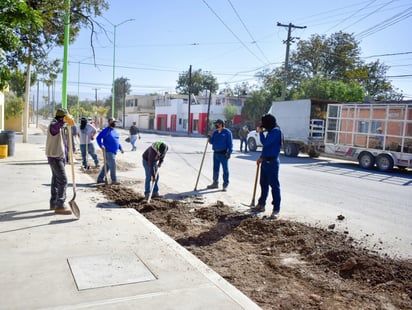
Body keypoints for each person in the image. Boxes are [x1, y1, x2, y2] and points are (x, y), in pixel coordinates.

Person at [252, 113, 282, 219]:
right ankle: (261, 205)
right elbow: (266, 149)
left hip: (272, 163)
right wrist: (261, 157)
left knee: (274, 186)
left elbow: (265, 143)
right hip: (265, 161)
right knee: (263, 184)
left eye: (263, 123)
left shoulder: (276, 131)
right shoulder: (270, 131)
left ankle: (276, 209)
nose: (262, 124)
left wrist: (260, 133)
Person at [45, 108, 75, 215]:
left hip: (58, 157)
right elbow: (55, 128)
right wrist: (63, 121)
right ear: (62, 117)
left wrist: (65, 158)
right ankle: (60, 205)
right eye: (66, 117)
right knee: (63, 180)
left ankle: (53, 203)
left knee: (56, 180)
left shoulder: (61, 127)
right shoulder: (54, 125)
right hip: (55, 157)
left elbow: (64, 143)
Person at [207, 119, 233, 191]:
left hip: (223, 154)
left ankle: (225, 185)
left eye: (217, 124)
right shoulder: (215, 133)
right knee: (215, 169)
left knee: (225, 170)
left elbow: (230, 144)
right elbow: (212, 142)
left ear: (221, 124)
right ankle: (215, 183)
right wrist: (209, 138)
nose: (216, 125)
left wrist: (229, 152)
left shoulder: (227, 132)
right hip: (216, 153)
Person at [96, 118, 124, 185]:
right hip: (108, 151)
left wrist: (120, 148)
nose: (114, 123)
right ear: (109, 122)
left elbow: (116, 141)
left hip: (114, 152)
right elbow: (98, 138)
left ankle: (100, 179)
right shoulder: (106, 130)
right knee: (113, 166)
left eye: (115, 122)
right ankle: (114, 180)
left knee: (107, 166)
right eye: (113, 122)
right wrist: (101, 145)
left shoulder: (115, 131)